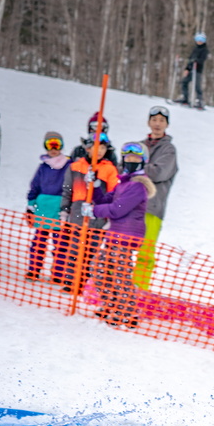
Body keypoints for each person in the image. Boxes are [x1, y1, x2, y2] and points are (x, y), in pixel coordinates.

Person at [87, 141, 155, 328]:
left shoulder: (137, 186)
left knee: (120, 273)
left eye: (136, 158)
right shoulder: (122, 184)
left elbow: (117, 209)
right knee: (98, 268)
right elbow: (105, 200)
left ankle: (127, 312)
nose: (131, 160)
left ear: (143, 162)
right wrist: (95, 185)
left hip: (127, 235)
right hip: (114, 234)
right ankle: (112, 305)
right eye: (128, 157)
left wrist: (94, 211)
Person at [58, 135, 119, 293]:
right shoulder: (75, 166)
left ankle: (85, 283)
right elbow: (67, 190)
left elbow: (114, 193)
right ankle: (71, 282)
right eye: (96, 147)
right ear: (88, 148)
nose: (100, 151)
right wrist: (65, 210)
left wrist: (110, 216)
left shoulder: (109, 169)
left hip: (99, 214)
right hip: (78, 212)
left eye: (103, 148)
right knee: (75, 249)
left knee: (91, 251)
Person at [133, 105, 179, 290]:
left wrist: (138, 168)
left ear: (167, 124)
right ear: (148, 122)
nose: (157, 124)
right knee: (121, 246)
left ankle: (139, 286)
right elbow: (125, 167)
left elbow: (159, 172)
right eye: (154, 120)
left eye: (161, 120)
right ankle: (116, 285)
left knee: (145, 250)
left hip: (152, 207)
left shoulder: (169, 149)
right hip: (131, 205)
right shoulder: (139, 146)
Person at [25, 131, 70, 281]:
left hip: (59, 208)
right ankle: (34, 270)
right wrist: (31, 204)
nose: (53, 148)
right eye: (49, 144)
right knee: (39, 242)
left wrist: (67, 205)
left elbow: (70, 186)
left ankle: (58, 274)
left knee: (60, 243)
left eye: (56, 144)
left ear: (61, 146)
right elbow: (35, 185)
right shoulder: (43, 167)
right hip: (43, 208)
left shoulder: (68, 165)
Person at [177, 33, 209, 108]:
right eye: (198, 39)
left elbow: (202, 60)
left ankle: (199, 101)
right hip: (191, 69)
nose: (200, 41)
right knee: (184, 82)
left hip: (197, 70)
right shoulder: (195, 49)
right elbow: (190, 59)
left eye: (202, 40)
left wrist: (196, 61)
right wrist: (187, 69)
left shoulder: (204, 50)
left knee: (197, 86)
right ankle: (185, 98)